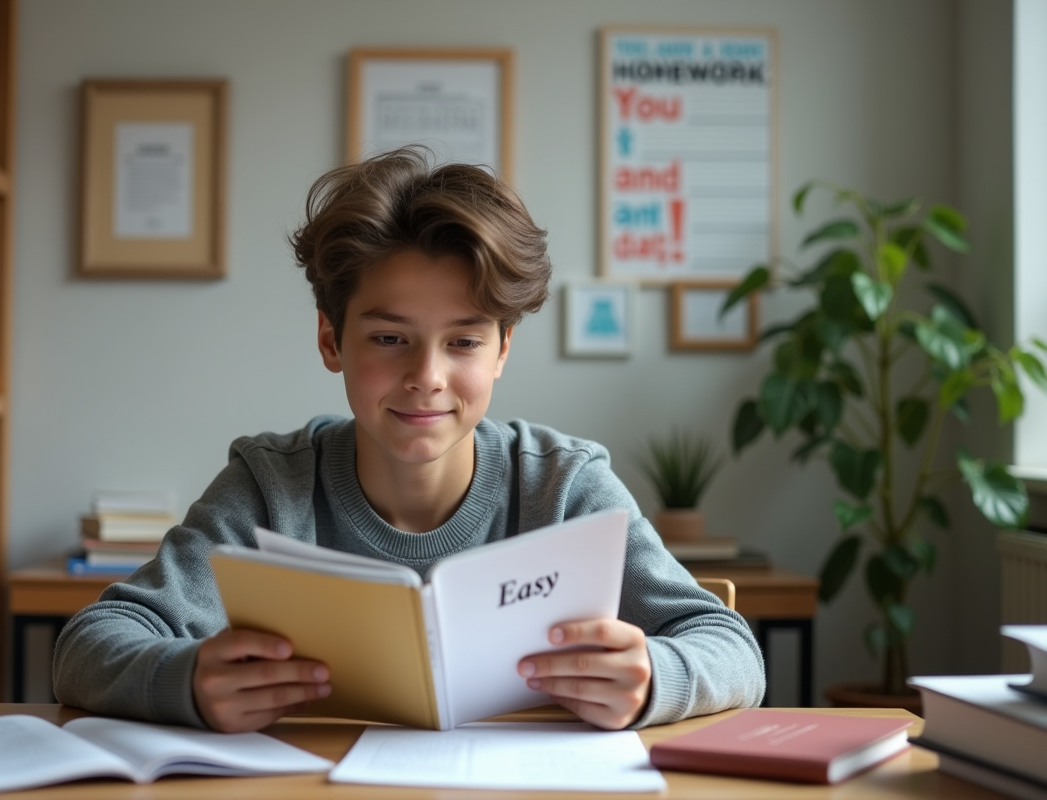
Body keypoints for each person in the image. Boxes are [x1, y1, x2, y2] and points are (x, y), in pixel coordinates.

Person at [53, 147, 765, 733]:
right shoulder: (270, 489)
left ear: (502, 351)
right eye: (390, 338)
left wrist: (652, 681)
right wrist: (187, 681)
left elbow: (733, 648)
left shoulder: (564, 484)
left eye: (463, 341)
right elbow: (88, 644)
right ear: (331, 339)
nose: (426, 377)